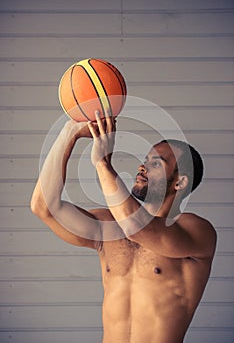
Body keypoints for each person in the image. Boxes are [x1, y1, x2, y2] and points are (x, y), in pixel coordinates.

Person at [31, 109, 217, 343]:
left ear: (180, 182)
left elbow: (137, 228)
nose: (143, 166)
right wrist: (69, 133)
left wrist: (101, 164)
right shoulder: (109, 227)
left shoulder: (197, 231)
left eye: (156, 164)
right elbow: (43, 207)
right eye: (145, 160)